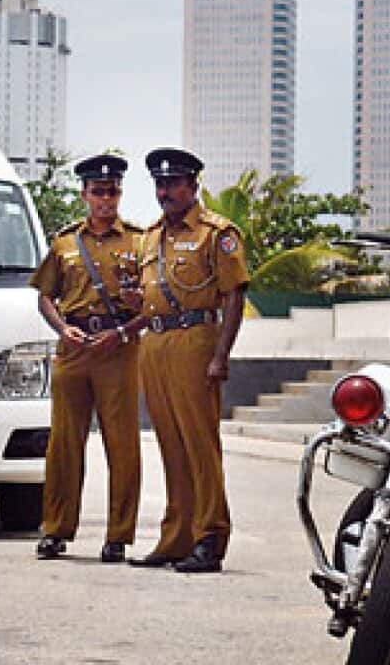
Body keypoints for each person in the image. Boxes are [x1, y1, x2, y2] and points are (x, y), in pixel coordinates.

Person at [127, 147, 249, 574]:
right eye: (160, 184)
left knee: (199, 444)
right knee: (170, 445)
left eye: (174, 184)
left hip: (196, 341)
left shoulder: (217, 233)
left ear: (193, 185)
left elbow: (234, 295)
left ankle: (210, 537)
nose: (165, 192)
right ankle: (176, 537)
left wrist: (221, 355)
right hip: (155, 342)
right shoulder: (151, 235)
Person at [29, 154, 143, 563]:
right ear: (85, 195)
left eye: (112, 192)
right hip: (74, 348)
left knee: (122, 444)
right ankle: (55, 530)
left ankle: (118, 536)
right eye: (98, 192)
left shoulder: (139, 242)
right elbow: (44, 296)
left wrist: (125, 329)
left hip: (119, 349)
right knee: (64, 443)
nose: (105, 199)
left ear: (120, 193)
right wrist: (62, 329)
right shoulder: (64, 243)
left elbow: (154, 304)